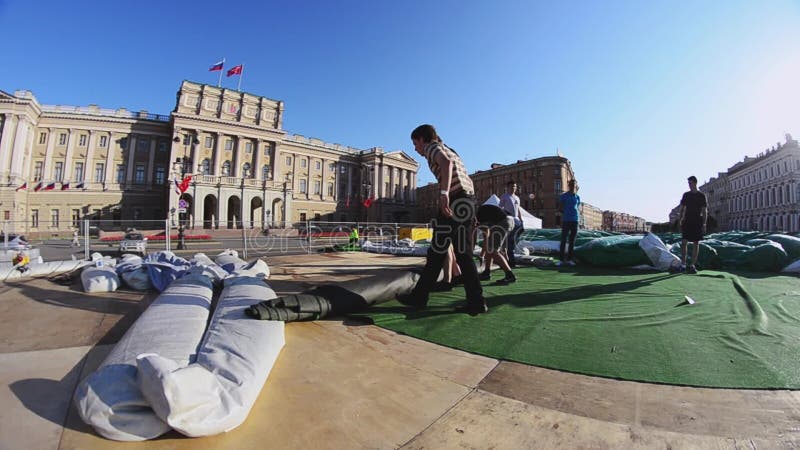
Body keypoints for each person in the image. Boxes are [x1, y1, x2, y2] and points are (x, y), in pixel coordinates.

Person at [397, 124, 487, 315]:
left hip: (454, 201)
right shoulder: (451, 149)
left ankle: (419, 297)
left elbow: (446, 163)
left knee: (437, 252)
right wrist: (471, 211)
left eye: (415, 144)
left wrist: (444, 194)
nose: (416, 149)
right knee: (463, 254)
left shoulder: (432, 147)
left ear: (423, 139)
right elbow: (465, 179)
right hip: (467, 201)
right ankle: (476, 301)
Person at [477, 202, 516, 284]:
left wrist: (481, 255)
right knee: (490, 248)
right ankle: (486, 273)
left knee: (492, 250)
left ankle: (510, 275)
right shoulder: (482, 211)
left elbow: (485, 236)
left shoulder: (478, 216)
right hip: (511, 220)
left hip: (503, 222)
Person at [677, 175, 707, 274]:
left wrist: (704, 223)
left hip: (697, 221)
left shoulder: (701, 195)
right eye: (688, 183)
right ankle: (683, 264)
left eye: (690, 183)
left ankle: (692, 265)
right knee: (684, 242)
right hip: (687, 220)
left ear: (694, 183)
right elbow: (681, 208)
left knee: (696, 243)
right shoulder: (686, 195)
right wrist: (680, 219)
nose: (689, 185)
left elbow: (704, 210)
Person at [499, 180, 523, 268]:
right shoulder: (504, 196)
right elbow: (500, 208)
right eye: (512, 186)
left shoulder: (517, 198)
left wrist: (521, 220)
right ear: (508, 187)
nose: (514, 188)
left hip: (517, 222)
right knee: (509, 241)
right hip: (509, 220)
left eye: (515, 186)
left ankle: (509, 260)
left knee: (513, 241)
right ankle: (510, 262)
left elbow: (518, 209)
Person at [557, 179, 580, 266]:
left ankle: (570, 259)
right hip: (566, 220)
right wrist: (566, 213)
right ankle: (561, 260)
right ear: (569, 185)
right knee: (563, 240)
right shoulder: (564, 196)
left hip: (575, 220)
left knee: (572, 241)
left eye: (574, 185)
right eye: (571, 184)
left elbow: (577, 207)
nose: (573, 186)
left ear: (576, 186)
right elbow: (559, 208)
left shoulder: (577, 197)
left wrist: (574, 214)